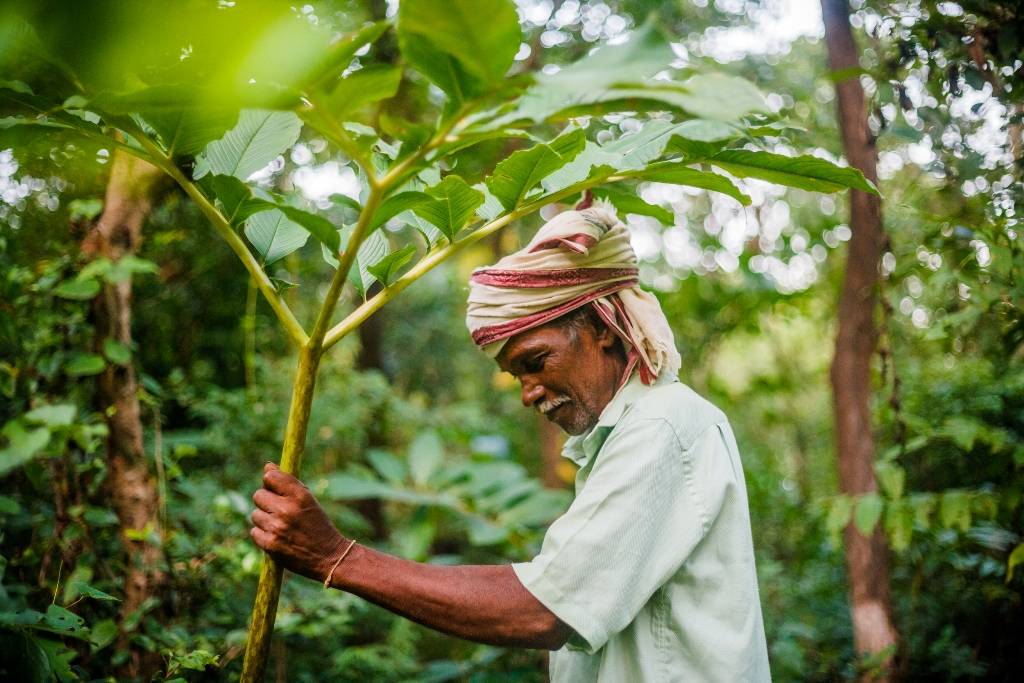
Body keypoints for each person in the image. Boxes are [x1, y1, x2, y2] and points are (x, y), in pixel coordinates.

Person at [250, 203, 771, 681]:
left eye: (534, 362)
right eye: (514, 373)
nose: (528, 393)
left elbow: (543, 611)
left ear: (602, 328)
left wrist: (337, 558)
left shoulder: (662, 427)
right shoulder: (629, 433)